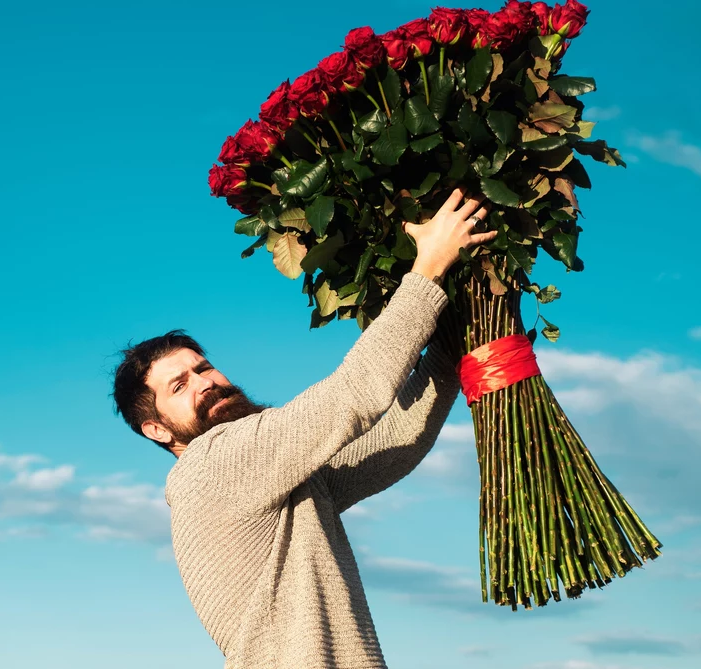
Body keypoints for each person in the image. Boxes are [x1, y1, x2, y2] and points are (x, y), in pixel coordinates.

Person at [112, 187, 496, 669]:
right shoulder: (212, 465)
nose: (205, 383)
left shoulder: (275, 482)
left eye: (205, 368)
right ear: (158, 430)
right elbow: (350, 397)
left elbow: (394, 443)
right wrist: (429, 269)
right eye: (179, 386)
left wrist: (448, 345)